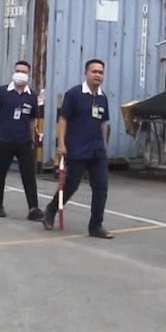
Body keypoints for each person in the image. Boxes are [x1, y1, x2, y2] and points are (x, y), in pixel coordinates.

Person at [43, 59, 114, 239]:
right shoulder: (74, 94)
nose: (98, 75)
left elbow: (104, 123)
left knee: (101, 188)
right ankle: (51, 210)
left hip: (97, 150)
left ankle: (96, 226)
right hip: (77, 148)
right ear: (86, 73)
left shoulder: (102, 97)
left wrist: (104, 145)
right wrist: (61, 144)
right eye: (94, 71)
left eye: (101, 72)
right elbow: (63, 119)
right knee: (70, 185)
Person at [0, 60, 41, 219]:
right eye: (18, 70)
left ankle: (33, 208)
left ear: (28, 75)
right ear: (14, 72)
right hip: (5, 139)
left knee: (28, 174)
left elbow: (32, 119)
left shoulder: (31, 96)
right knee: (1, 172)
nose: (21, 74)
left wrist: (33, 137)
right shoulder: (2, 92)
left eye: (24, 71)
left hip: (24, 141)